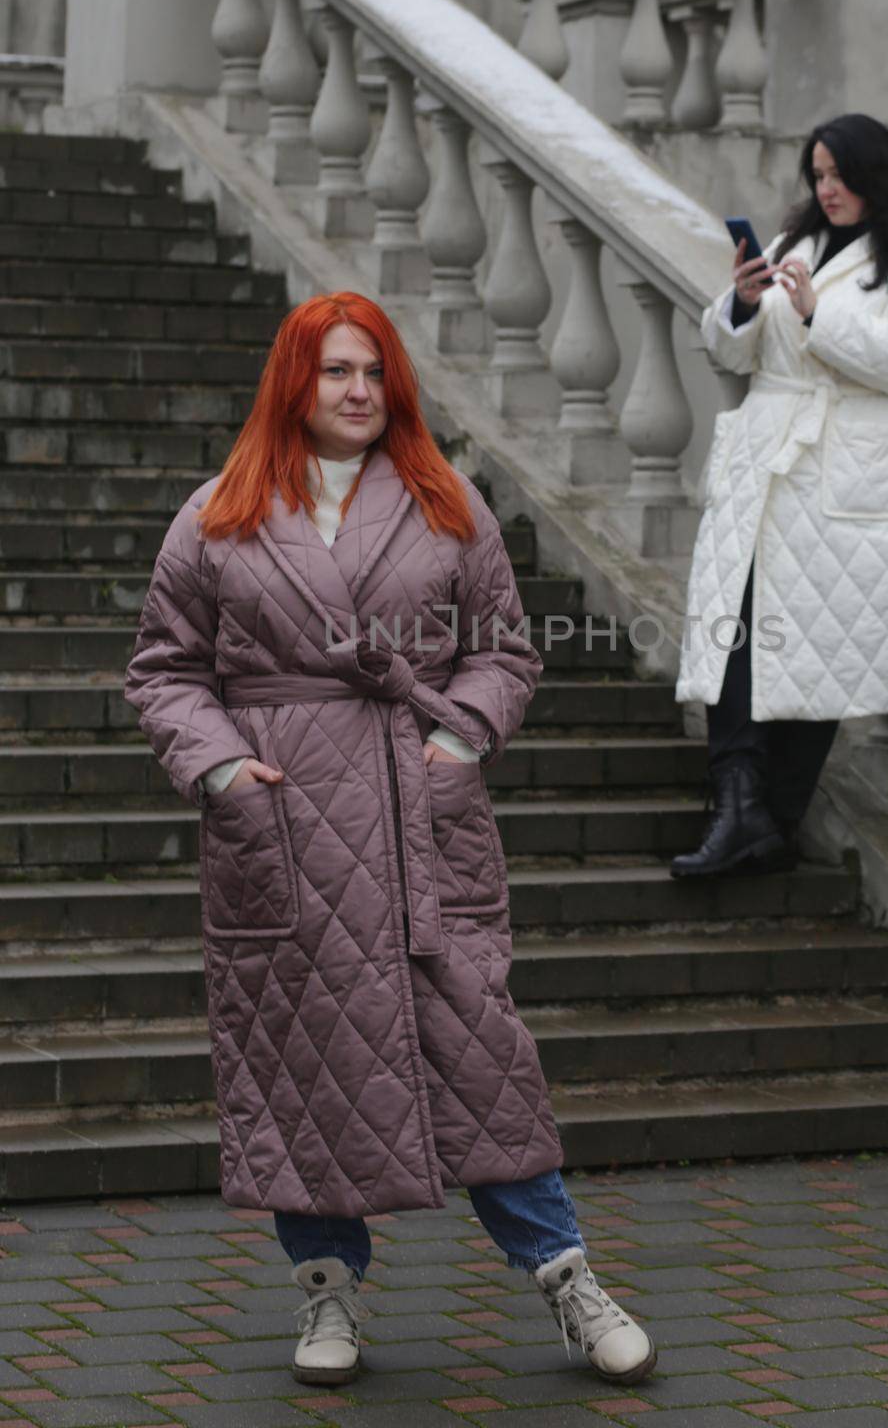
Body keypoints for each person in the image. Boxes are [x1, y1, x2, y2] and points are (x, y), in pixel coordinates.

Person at [124, 292, 656, 1390]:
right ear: (294, 383)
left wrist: (458, 740)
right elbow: (165, 671)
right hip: (285, 832)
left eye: (373, 371)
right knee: (299, 1069)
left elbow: (503, 651)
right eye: (334, 372)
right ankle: (326, 1296)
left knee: (483, 1057)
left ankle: (566, 1279)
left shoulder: (446, 502)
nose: (358, 391)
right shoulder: (218, 513)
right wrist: (223, 771)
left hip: (418, 821)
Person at [672, 113, 888, 878]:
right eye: (818, 174)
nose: (825, 188)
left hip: (847, 472)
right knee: (732, 632)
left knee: (823, 645)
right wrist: (738, 304)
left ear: (874, 174)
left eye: (838, 174)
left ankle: (776, 817)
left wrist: (814, 314)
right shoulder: (788, 242)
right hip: (766, 463)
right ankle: (736, 808)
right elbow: (729, 347)